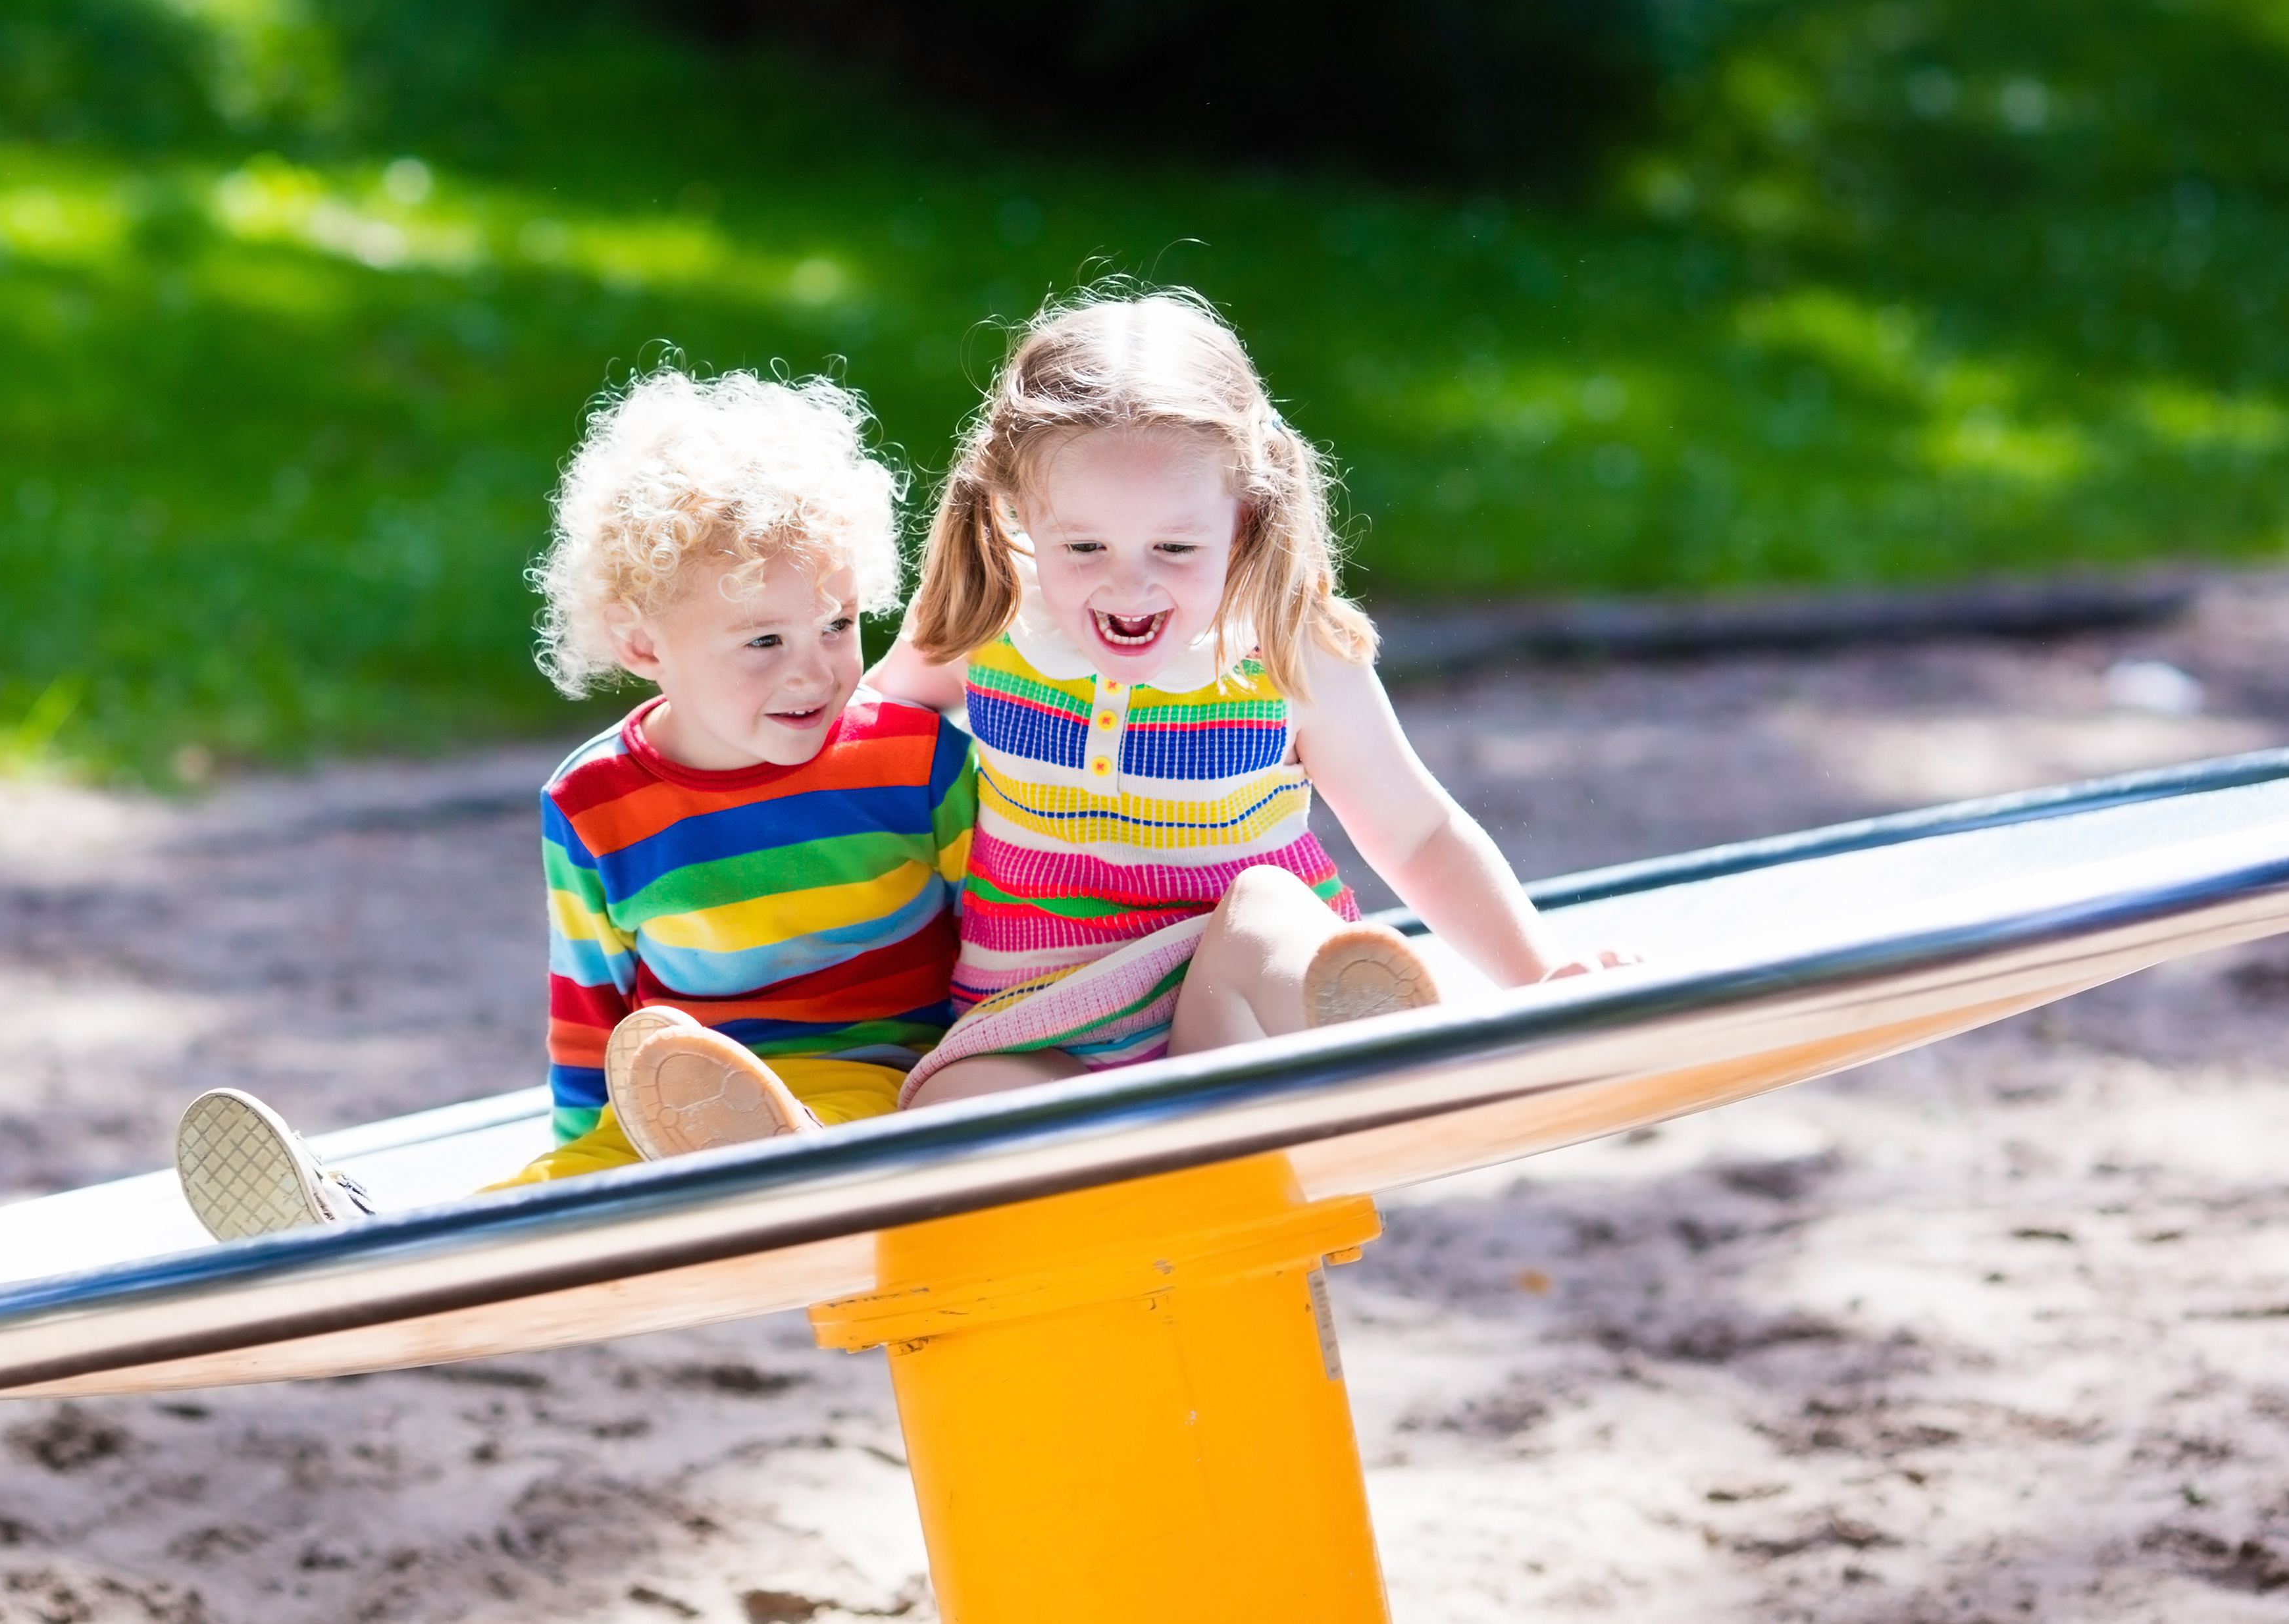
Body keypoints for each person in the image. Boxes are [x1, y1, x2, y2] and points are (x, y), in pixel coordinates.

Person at [619, 287, 1632, 1130]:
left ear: (1246, 511)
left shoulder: (1284, 647)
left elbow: (1417, 830)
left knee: (1269, 914)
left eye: (1175, 549)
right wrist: (712, 729)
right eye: (1085, 547)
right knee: (956, 1115)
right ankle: (813, 1165)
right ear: (1019, 514)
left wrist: (1539, 975)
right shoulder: (988, 621)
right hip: (1035, 1016)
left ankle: (1362, 1035)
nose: (1128, 585)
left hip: (1221, 1012)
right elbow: (857, 741)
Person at [173, 368, 976, 1240]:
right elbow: (591, 1005)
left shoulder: (914, 758)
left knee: (841, 1120)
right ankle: (360, 1233)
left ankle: (790, 1160)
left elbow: (996, 936)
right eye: (764, 640)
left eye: (836, 622)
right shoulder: (597, 800)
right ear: (642, 640)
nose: (815, 668)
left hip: (873, 1084)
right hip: (673, 1107)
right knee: (548, 1196)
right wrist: (583, 1152)